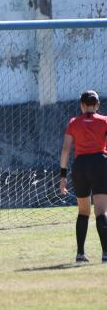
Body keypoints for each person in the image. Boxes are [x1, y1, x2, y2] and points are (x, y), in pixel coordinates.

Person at [60, 90, 107, 263]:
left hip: (80, 167)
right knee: (101, 212)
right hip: (100, 164)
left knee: (83, 212)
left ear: (81, 105)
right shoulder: (105, 121)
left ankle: (80, 254)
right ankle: (105, 255)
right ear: (97, 105)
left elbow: (66, 149)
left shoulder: (74, 123)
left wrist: (63, 176)